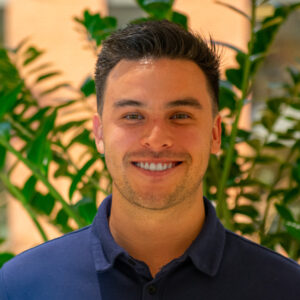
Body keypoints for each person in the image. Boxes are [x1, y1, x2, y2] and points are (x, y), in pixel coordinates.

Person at [1, 20, 300, 300]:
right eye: (132, 116)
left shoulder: (285, 288)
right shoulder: (20, 287)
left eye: (180, 116)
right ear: (100, 133)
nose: (156, 139)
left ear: (215, 134)